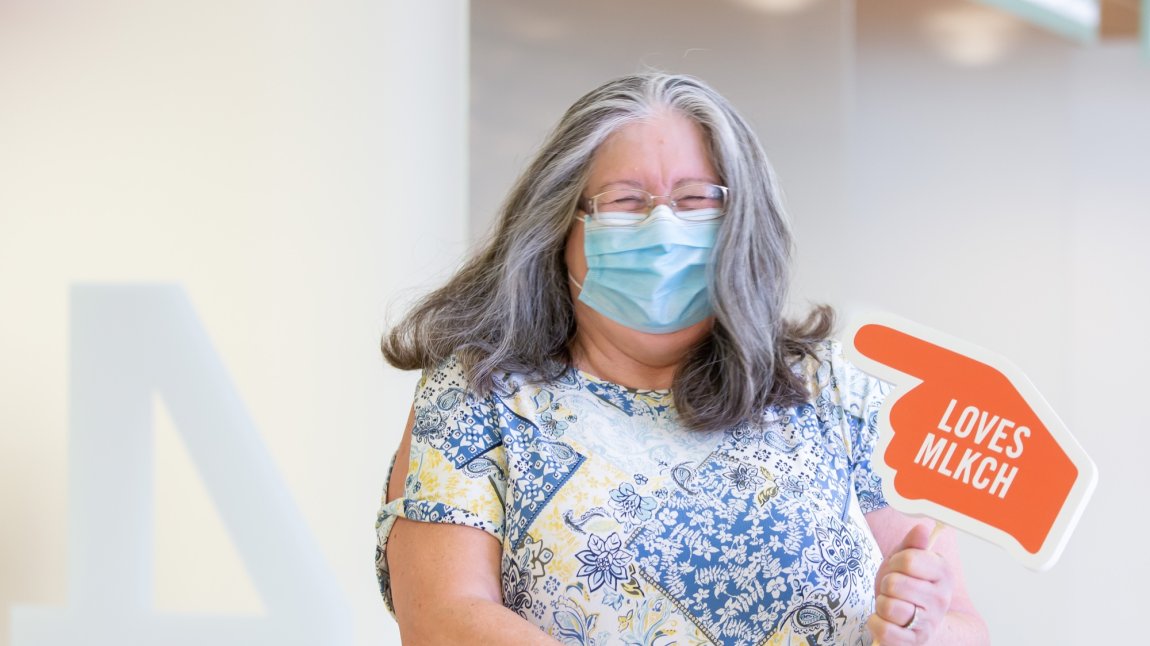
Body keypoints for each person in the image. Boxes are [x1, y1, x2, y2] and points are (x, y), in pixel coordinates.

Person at [375, 72, 988, 645]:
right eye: (624, 200)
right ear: (560, 228)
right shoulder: (479, 395)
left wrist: (922, 625)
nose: (662, 227)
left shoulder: (835, 390)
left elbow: (961, 622)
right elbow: (445, 618)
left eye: (695, 200)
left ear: (742, 224)